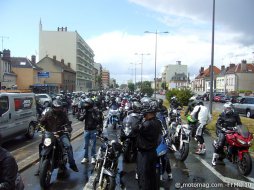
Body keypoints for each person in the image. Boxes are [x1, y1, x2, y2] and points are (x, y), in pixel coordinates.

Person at [37, 99, 79, 174]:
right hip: (49, 134)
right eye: (56, 107)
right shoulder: (48, 113)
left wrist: (69, 128)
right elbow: (41, 121)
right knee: (42, 146)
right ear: (53, 107)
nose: (57, 109)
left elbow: (68, 123)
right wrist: (39, 126)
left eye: (59, 107)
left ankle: (72, 164)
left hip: (61, 134)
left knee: (68, 146)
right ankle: (40, 166)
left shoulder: (63, 114)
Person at [135, 100, 162, 190]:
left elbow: (135, 130)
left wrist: (139, 119)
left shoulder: (146, 125)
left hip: (144, 154)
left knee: (143, 177)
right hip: (153, 152)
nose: (144, 114)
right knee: (152, 176)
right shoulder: (158, 122)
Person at [80, 98, 99, 164]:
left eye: (87, 103)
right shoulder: (85, 111)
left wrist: (94, 116)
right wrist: (83, 114)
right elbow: (80, 118)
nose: (85, 105)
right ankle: (85, 157)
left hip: (93, 130)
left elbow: (99, 119)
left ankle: (93, 157)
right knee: (86, 145)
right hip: (86, 130)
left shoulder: (95, 110)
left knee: (93, 145)